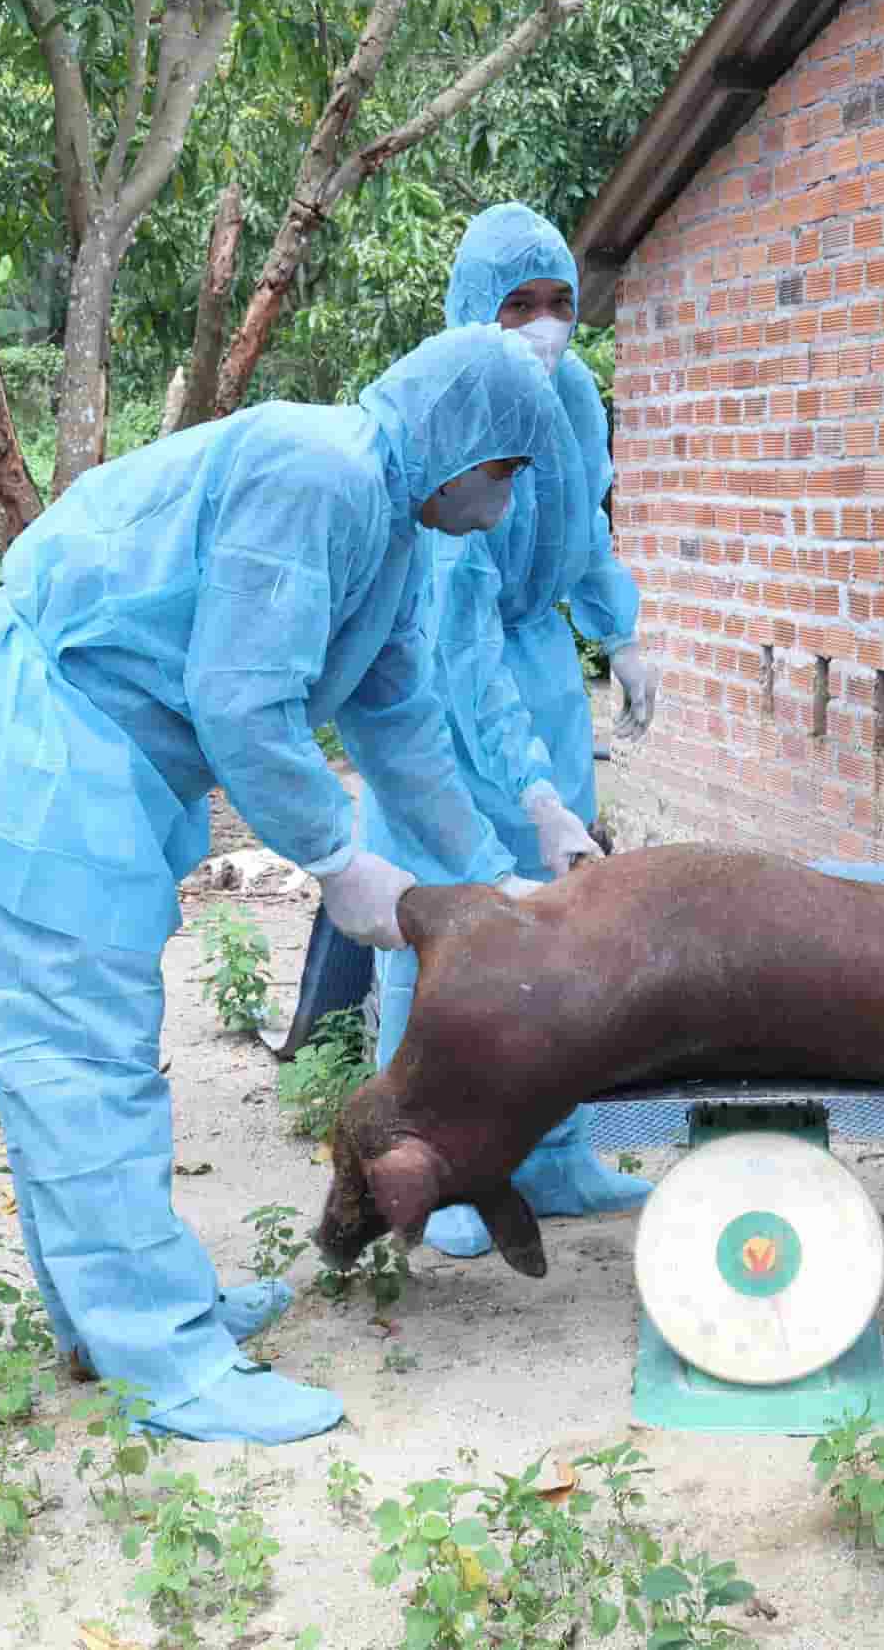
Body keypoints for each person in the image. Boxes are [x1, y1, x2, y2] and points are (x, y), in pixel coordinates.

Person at [0, 324, 564, 1443]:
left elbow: (401, 721)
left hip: (102, 757)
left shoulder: (389, 527)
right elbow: (241, 699)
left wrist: (492, 878)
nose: (506, 503)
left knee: (87, 1060)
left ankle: (115, 1320)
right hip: (49, 747)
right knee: (85, 1065)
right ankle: (165, 1360)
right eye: (506, 472)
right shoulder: (320, 473)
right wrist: (336, 859)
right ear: (462, 441)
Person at [360, 201, 660, 1260]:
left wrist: (620, 633)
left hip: (540, 675)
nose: (542, 325)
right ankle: (427, 1170)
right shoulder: (448, 411)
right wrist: (529, 788)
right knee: (439, 936)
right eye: (515, 304)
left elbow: (587, 524)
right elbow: (461, 642)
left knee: (553, 935)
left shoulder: (573, 397)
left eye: (557, 302)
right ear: (470, 311)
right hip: (444, 693)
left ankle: (554, 1157)